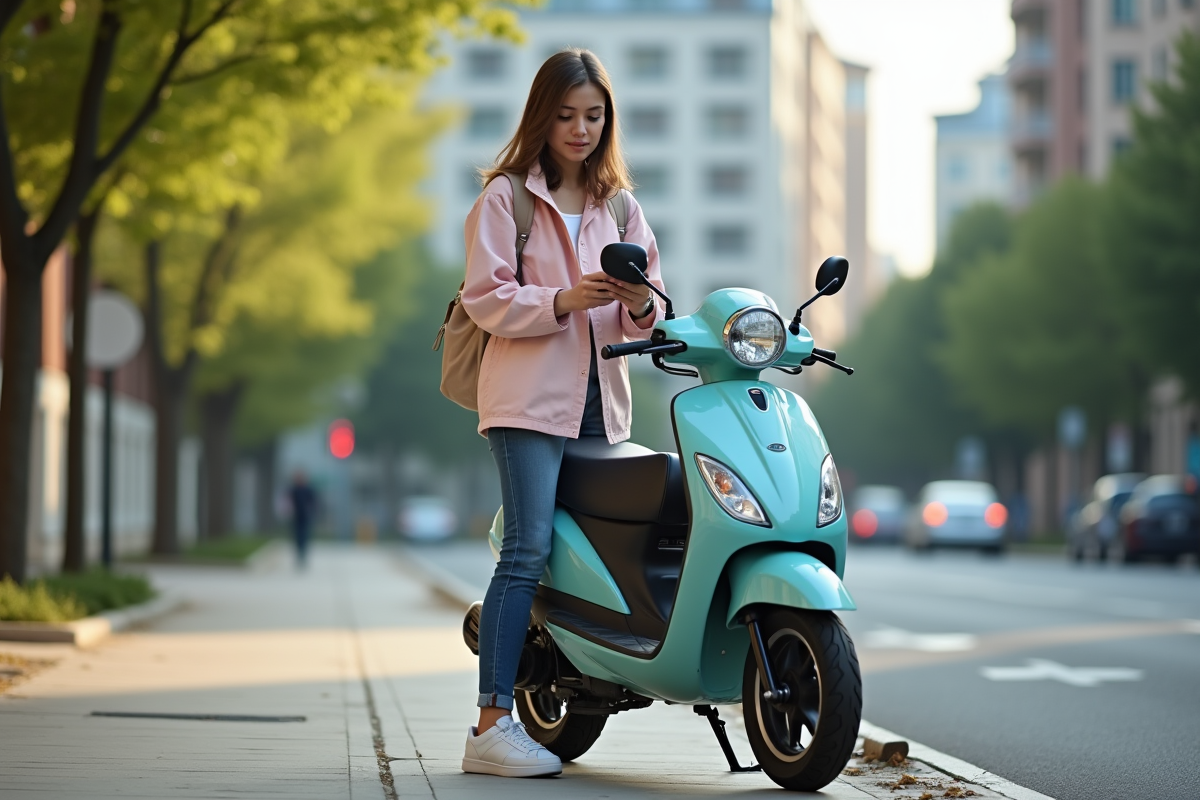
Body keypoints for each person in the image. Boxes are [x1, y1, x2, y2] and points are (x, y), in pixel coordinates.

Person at [458, 48, 665, 778]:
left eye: (594, 115)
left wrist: (639, 301)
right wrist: (562, 300)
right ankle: (489, 723)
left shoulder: (621, 206)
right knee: (527, 551)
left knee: (590, 557)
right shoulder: (507, 199)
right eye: (567, 115)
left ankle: (571, 686)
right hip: (525, 406)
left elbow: (652, 311)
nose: (580, 129)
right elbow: (485, 297)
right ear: (541, 117)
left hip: (600, 408)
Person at [288, 469, 317, 569]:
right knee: (297, 536)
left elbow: (313, 502)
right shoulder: (294, 490)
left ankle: (303, 554)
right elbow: (289, 502)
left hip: (305, 517)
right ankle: (299, 554)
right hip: (296, 517)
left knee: (304, 536)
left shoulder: (308, 490)